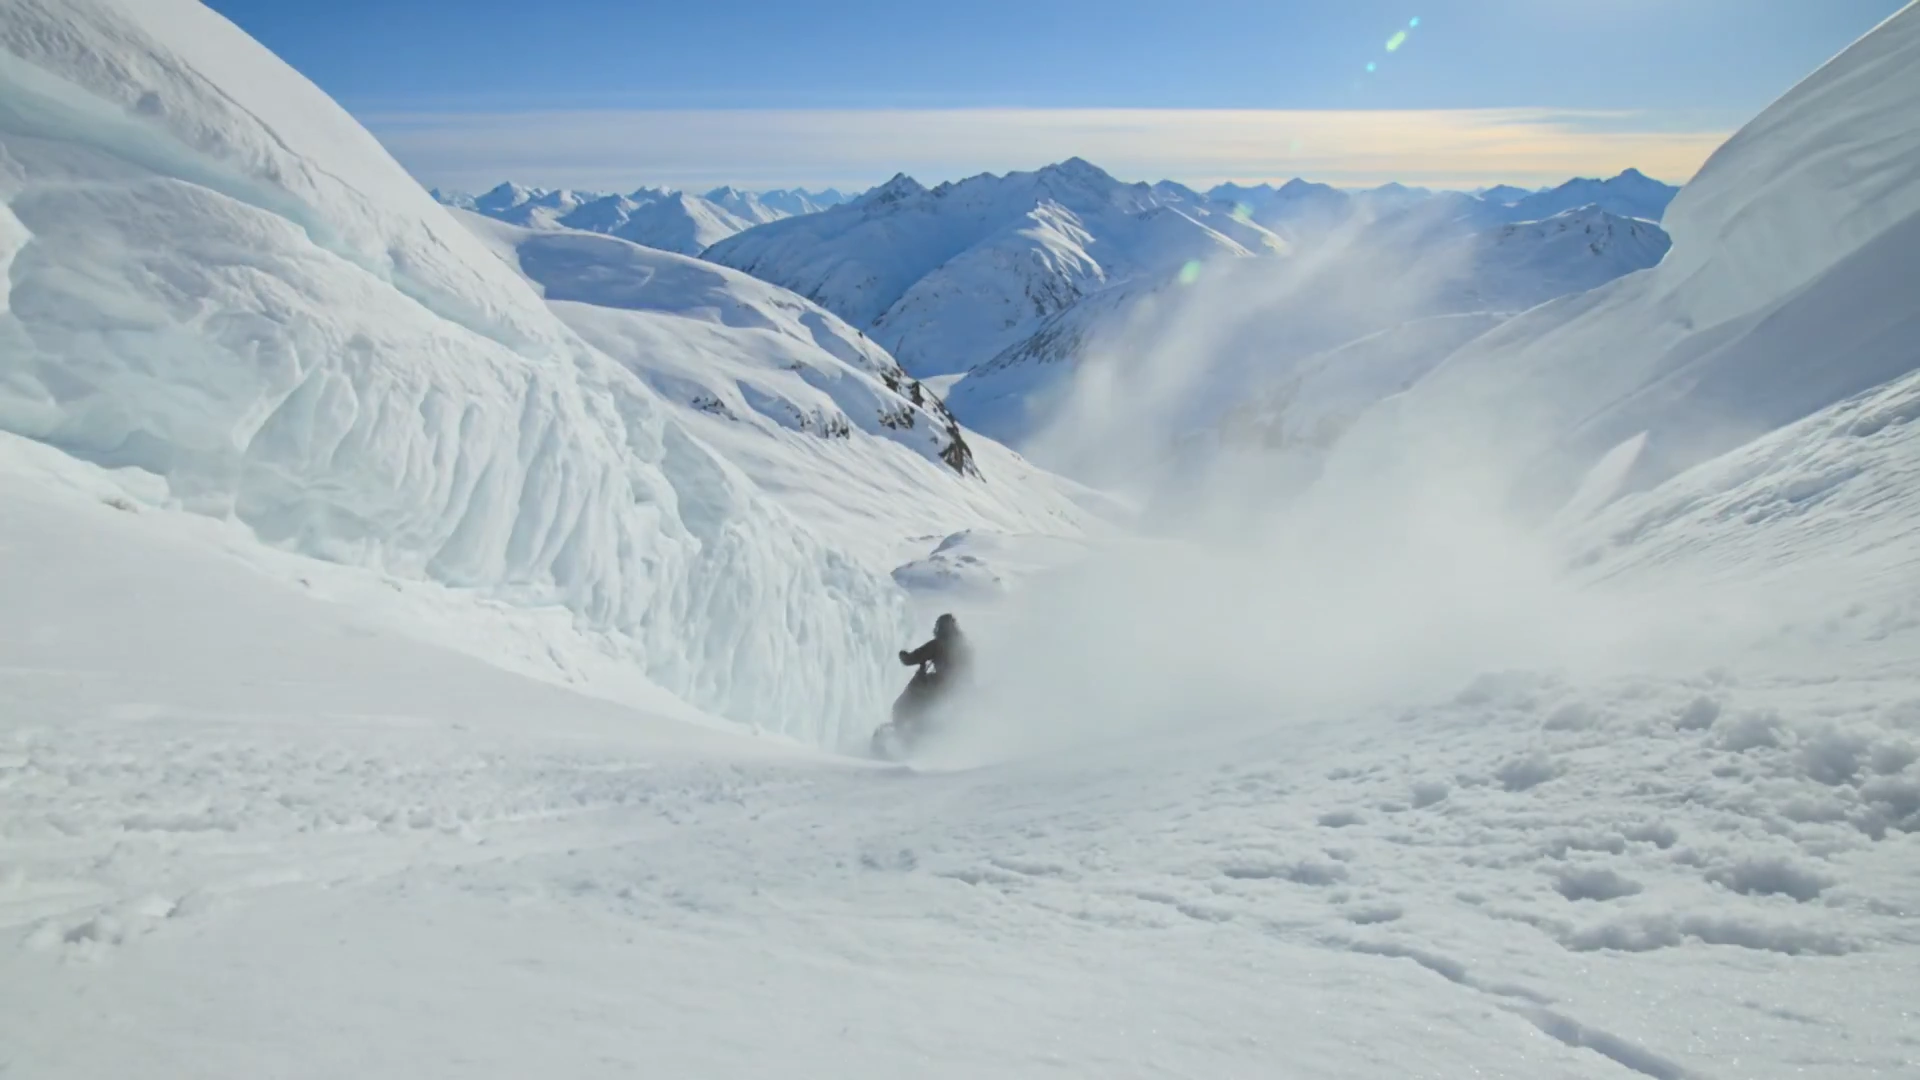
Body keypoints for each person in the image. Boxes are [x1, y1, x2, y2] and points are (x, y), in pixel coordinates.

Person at [892, 613, 970, 726]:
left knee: (901, 705)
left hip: (937, 687)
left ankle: (901, 728)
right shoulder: (965, 647)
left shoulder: (938, 644)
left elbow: (910, 659)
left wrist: (902, 655)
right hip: (957, 691)